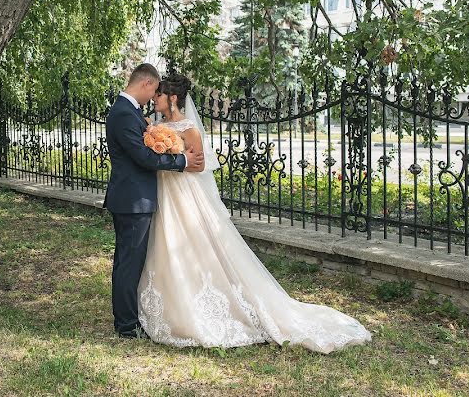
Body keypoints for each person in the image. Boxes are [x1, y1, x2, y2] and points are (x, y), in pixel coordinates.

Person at [137, 72, 371, 353]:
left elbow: (199, 165)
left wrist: (176, 158)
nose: (155, 99)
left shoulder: (189, 129)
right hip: (165, 194)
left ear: (172, 98)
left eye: (159, 95)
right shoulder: (156, 126)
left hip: (185, 194)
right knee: (166, 246)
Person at [104, 64, 204, 339]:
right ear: (147, 84)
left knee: (131, 261)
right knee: (129, 262)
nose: (153, 98)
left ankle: (129, 318)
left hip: (137, 198)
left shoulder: (130, 112)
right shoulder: (124, 113)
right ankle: (126, 326)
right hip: (133, 200)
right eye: (154, 91)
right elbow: (144, 157)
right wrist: (181, 160)